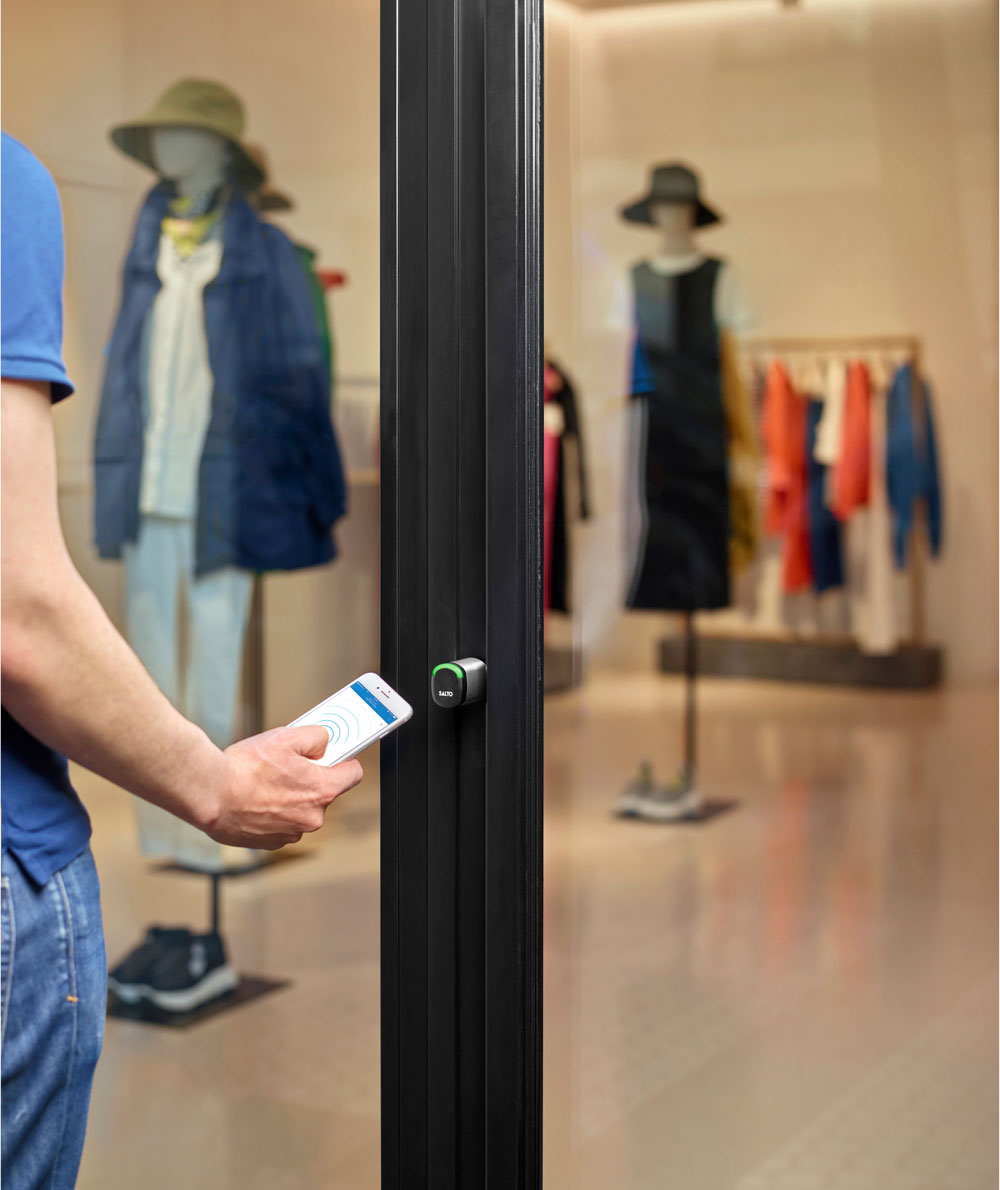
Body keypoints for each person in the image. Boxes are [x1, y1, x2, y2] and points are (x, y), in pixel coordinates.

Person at [0, 131, 364, 1189]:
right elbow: (18, 610)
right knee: (158, 669)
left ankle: (199, 864)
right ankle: (193, 841)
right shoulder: (28, 193)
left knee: (196, 671)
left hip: (223, 482)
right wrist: (212, 785)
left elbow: (301, 375)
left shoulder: (267, 252)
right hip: (156, 486)